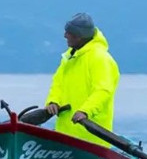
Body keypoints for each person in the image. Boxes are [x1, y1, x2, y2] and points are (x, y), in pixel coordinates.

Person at [44, 12, 120, 147]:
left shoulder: (100, 58)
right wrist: (53, 101)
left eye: (69, 33)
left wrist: (85, 111)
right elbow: (58, 83)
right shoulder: (69, 58)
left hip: (92, 139)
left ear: (81, 36)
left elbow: (103, 91)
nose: (65, 36)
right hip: (65, 135)